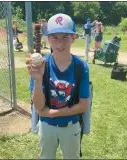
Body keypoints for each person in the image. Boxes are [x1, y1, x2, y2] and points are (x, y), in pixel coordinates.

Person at [26, 13, 90, 159]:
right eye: (55, 37)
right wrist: (37, 79)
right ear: (48, 39)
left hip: (71, 126)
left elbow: (83, 105)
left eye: (65, 37)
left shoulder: (81, 67)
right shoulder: (42, 65)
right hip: (47, 126)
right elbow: (39, 107)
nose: (59, 44)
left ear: (73, 38)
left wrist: (54, 113)